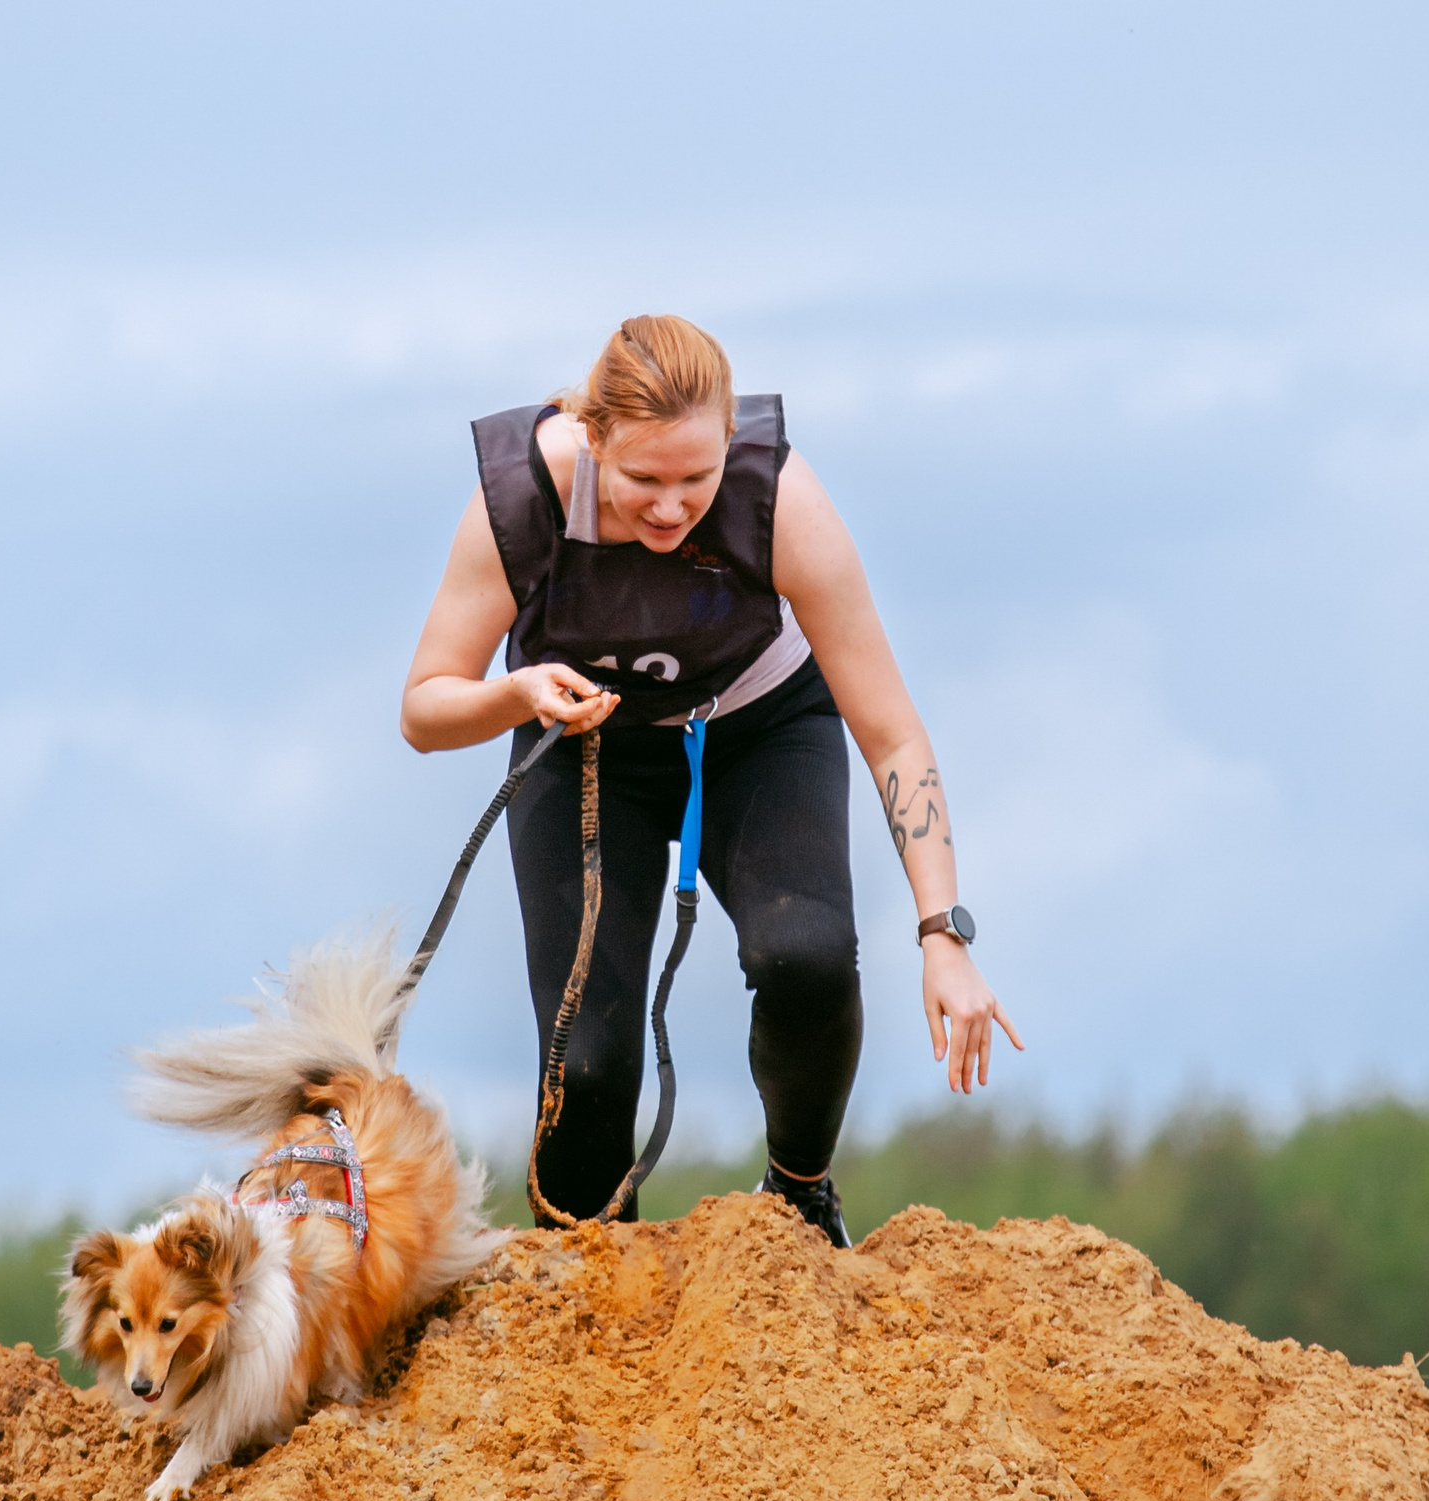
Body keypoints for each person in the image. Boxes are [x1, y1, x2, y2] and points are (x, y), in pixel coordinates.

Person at [401, 314, 1022, 1247]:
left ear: (731, 441)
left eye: (696, 479)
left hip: (757, 732)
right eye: (642, 481)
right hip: (586, 748)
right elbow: (424, 707)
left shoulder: (782, 501)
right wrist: (518, 690)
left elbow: (891, 733)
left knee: (805, 956)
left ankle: (802, 1195)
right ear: (592, 436)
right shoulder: (523, 498)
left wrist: (943, 930)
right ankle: (585, 1274)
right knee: (590, 1058)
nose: (669, 506)